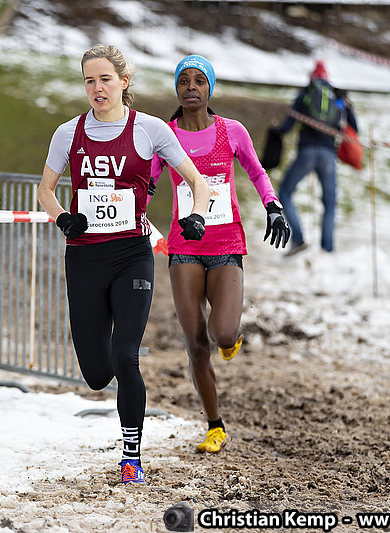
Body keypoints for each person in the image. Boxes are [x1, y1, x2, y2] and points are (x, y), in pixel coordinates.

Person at [37, 44, 210, 485]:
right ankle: (111, 371)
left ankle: (131, 458)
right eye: (89, 81)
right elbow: (45, 190)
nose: (97, 88)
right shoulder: (68, 133)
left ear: (123, 81)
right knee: (97, 374)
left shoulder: (150, 129)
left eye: (105, 79)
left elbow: (198, 182)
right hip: (85, 256)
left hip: (132, 254)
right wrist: (63, 217)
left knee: (125, 355)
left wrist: (196, 215)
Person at [151, 55, 290, 454]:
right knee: (197, 344)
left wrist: (273, 206)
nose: (191, 88)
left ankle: (231, 336)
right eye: (184, 81)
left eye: (199, 81)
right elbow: (149, 181)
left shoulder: (233, 131)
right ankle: (215, 426)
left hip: (226, 243)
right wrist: (129, 205)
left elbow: (257, 171)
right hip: (184, 247)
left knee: (223, 333)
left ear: (210, 88)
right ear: (177, 89)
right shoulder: (166, 135)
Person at [272, 59, 358, 255]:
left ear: (311, 77)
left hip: (306, 152)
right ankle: (327, 248)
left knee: (284, 192)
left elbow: (287, 126)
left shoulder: (305, 95)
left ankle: (298, 238)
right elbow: (354, 128)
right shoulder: (337, 98)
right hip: (328, 155)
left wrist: (275, 130)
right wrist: (348, 105)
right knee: (330, 203)